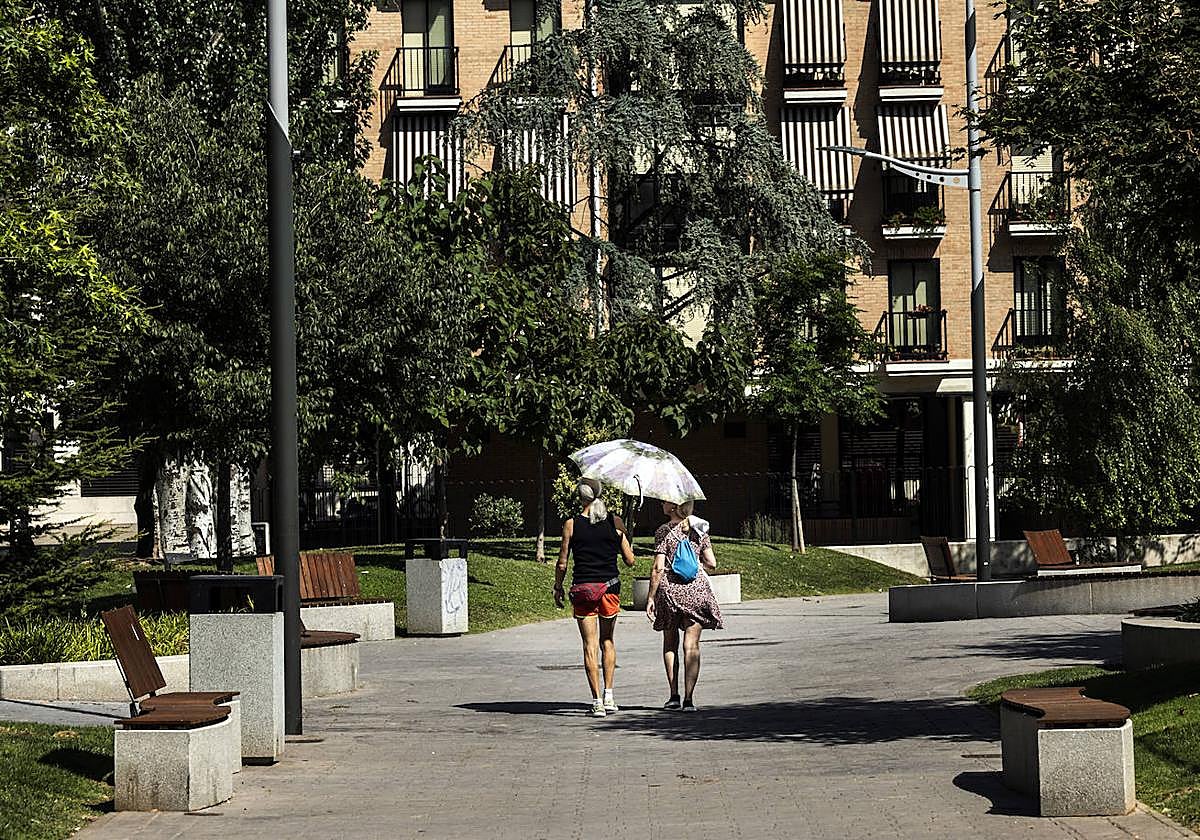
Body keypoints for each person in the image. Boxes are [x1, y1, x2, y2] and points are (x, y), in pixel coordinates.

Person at [554, 478, 638, 717]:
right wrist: (623, 536)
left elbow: (562, 563)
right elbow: (630, 561)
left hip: (583, 589)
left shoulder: (571, 524)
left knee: (589, 645)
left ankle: (597, 702)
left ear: (580, 497)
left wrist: (558, 587)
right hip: (609, 589)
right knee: (607, 641)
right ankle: (610, 696)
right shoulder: (615, 522)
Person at [646, 499, 723, 712]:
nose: (662, 503)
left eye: (665, 501)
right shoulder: (699, 528)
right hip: (695, 590)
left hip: (670, 591)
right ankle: (689, 700)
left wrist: (651, 597)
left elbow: (658, 568)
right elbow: (712, 563)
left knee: (670, 644)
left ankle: (673, 696)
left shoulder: (663, 531)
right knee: (692, 646)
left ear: (672, 507)